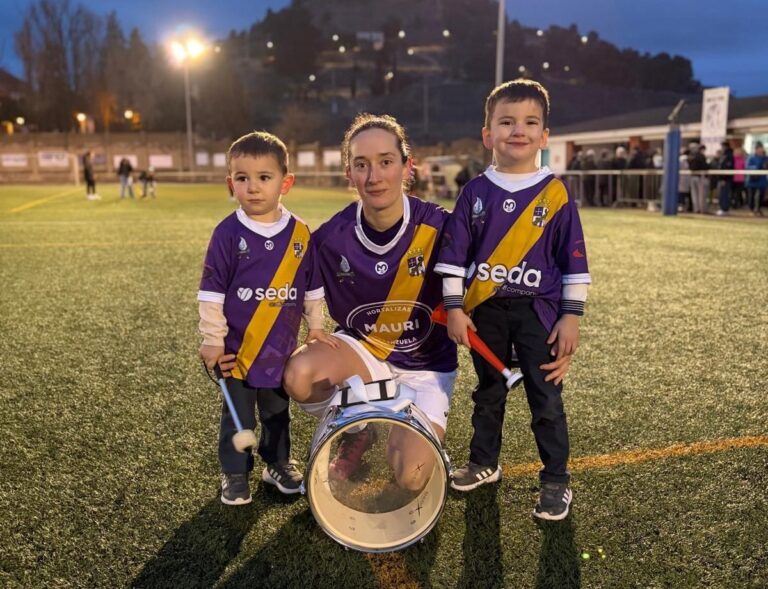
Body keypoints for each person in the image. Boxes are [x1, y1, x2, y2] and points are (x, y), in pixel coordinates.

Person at [435, 79, 591, 521]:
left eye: (529, 122)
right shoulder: (473, 192)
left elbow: (574, 262)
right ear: (488, 134)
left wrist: (571, 318)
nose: (517, 130)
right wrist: (454, 309)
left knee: (545, 397)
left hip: (538, 313)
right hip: (484, 311)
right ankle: (484, 463)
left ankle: (556, 479)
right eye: (506, 122)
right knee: (488, 392)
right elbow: (453, 258)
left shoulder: (556, 194)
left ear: (544, 136)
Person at [282, 114, 459, 491]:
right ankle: (359, 429)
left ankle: (414, 439)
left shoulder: (442, 227)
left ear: (407, 166)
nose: (374, 176)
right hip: (364, 356)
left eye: (385, 161)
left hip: (427, 367)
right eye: (361, 165)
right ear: (349, 173)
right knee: (298, 376)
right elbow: (285, 294)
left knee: (410, 479)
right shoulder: (330, 239)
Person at [198, 131, 334, 505]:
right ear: (231, 184)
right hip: (237, 352)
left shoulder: (300, 234)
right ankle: (234, 474)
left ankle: (278, 464)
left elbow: (312, 288)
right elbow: (211, 292)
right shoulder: (227, 234)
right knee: (238, 419)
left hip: (281, 352)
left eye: (264, 177)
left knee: (277, 414)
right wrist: (212, 339)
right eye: (242, 178)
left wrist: (317, 327)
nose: (253, 187)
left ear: (285, 182)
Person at [746, 141, 767, 216]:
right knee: (752, 195)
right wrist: (758, 167)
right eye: (758, 148)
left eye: (761, 148)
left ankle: (758, 209)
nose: (759, 150)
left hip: (762, 180)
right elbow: (748, 167)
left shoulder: (765, 158)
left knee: (761, 195)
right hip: (753, 180)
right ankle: (751, 210)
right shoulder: (751, 157)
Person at [689, 143, 709, 214]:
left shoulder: (692, 156)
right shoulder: (701, 156)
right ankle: (702, 209)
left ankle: (696, 209)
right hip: (700, 177)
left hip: (693, 176)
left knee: (694, 195)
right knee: (702, 195)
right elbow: (705, 166)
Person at [716, 141, 734, 216]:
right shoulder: (724, 155)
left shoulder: (728, 155)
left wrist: (724, 178)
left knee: (725, 194)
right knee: (722, 194)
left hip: (726, 179)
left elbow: (727, 168)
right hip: (722, 178)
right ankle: (723, 208)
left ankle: (724, 209)